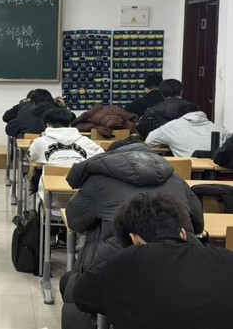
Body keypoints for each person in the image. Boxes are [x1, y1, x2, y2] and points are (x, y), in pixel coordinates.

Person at [59, 138, 203, 329]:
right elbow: (198, 225)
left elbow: (75, 221)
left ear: (111, 157)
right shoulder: (176, 179)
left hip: (117, 265)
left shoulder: (97, 180)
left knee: (73, 283)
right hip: (181, 266)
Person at [73, 193, 233, 329]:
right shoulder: (226, 258)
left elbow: (81, 296)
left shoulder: (124, 263)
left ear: (134, 239)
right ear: (183, 233)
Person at [145, 103, 232, 157]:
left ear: (179, 115)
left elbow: (149, 142)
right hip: (218, 172)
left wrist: (167, 143)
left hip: (188, 172)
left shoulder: (170, 126)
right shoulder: (216, 127)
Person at [28, 107, 104, 166]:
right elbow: (102, 156)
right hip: (80, 180)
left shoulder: (40, 142)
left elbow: (31, 155)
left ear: (48, 125)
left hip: (51, 180)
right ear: (69, 124)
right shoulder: (86, 141)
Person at [5, 89, 72, 138]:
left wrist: (21, 135)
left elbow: (9, 129)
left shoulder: (26, 113)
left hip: (29, 149)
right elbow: (71, 121)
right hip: (56, 149)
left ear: (33, 103)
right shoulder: (58, 112)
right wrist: (62, 106)